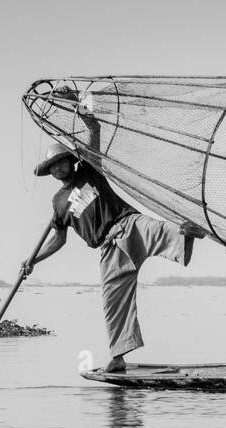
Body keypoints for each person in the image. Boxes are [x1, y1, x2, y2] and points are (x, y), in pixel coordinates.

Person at [25, 95, 206, 373]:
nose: (57, 168)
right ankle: (119, 356)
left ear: (70, 162)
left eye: (61, 162)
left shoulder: (90, 169)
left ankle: (186, 235)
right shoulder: (58, 203)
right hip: (109, 248)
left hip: (129, 223)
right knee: (113, 300)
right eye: (52, 167)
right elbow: (59, 239)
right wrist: (33, 260)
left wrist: (77, 105)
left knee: (159, 230)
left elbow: (94, 129)